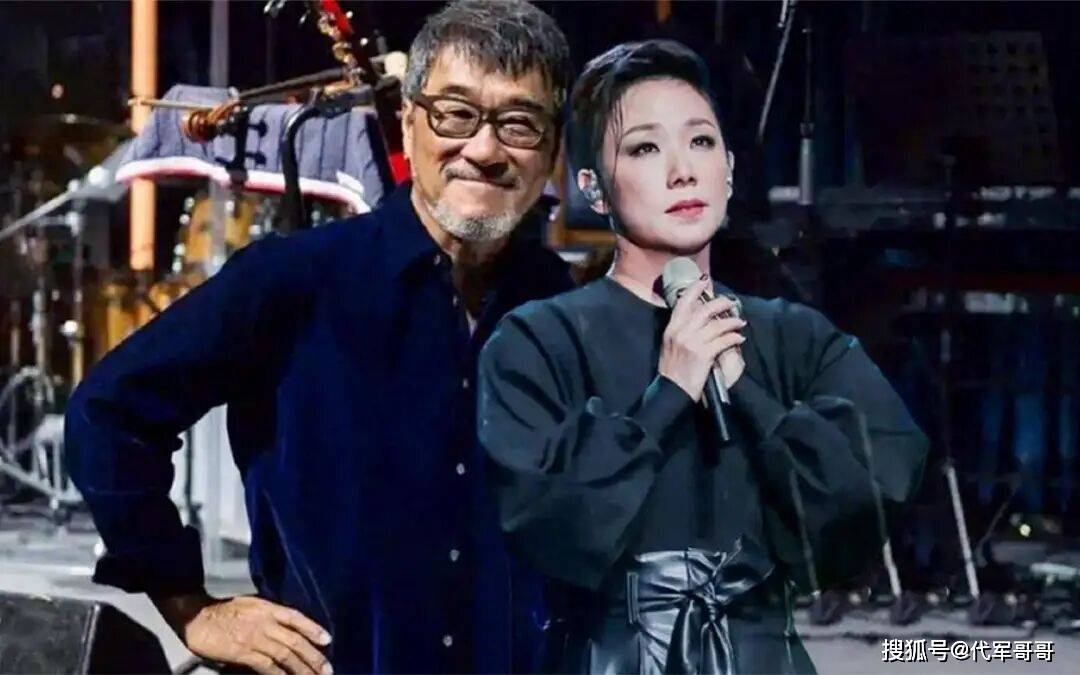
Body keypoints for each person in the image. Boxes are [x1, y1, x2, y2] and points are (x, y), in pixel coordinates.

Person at [65, 1, 573, 673]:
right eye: (455, 114)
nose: (484, 149)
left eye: (519, 123)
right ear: (408, 120)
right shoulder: (295, 279)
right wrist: (191, 608)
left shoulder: (568, 308)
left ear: (552, 148)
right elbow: (108, 412)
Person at [477, 40, 928, 674]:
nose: (682, 171)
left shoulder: (794, 336)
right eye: (645, 148)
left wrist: (748, 391)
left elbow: (868, 501)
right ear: (594, 189)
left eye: (701, 142)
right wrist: (667, 396)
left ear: (730, 170)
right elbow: (545, 522)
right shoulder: (539, 340)